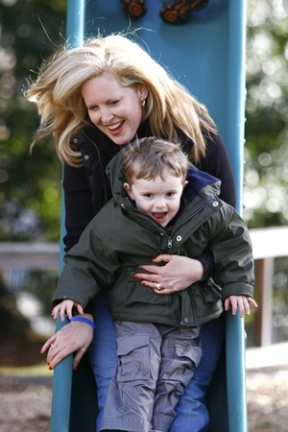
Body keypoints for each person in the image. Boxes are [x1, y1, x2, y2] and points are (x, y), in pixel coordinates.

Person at [27, 33, 240, 431]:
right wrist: (82, 317)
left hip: (191, 293)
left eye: (113, 102)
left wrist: (200, 268)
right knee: (122, 390)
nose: (104, 116)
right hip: (119, 291)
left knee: (182, 395)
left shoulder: (196, 134)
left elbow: (229, 224)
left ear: (140, 92)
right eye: (94, 107)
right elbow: (80, 242)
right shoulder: (85, 147)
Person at [51, 137, 256, 432]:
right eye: (148, 196)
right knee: (136, 374)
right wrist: (72, 295)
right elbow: (87, 258)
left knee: (174, 378)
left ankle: (157, 428)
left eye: (169, 194)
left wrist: (237, 285)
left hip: (186, 317)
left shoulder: (207, 211)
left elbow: (235, 243)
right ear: (129, 191)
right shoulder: (115, 220)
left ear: (183, 186)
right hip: (135, 314)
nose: (160, 205)